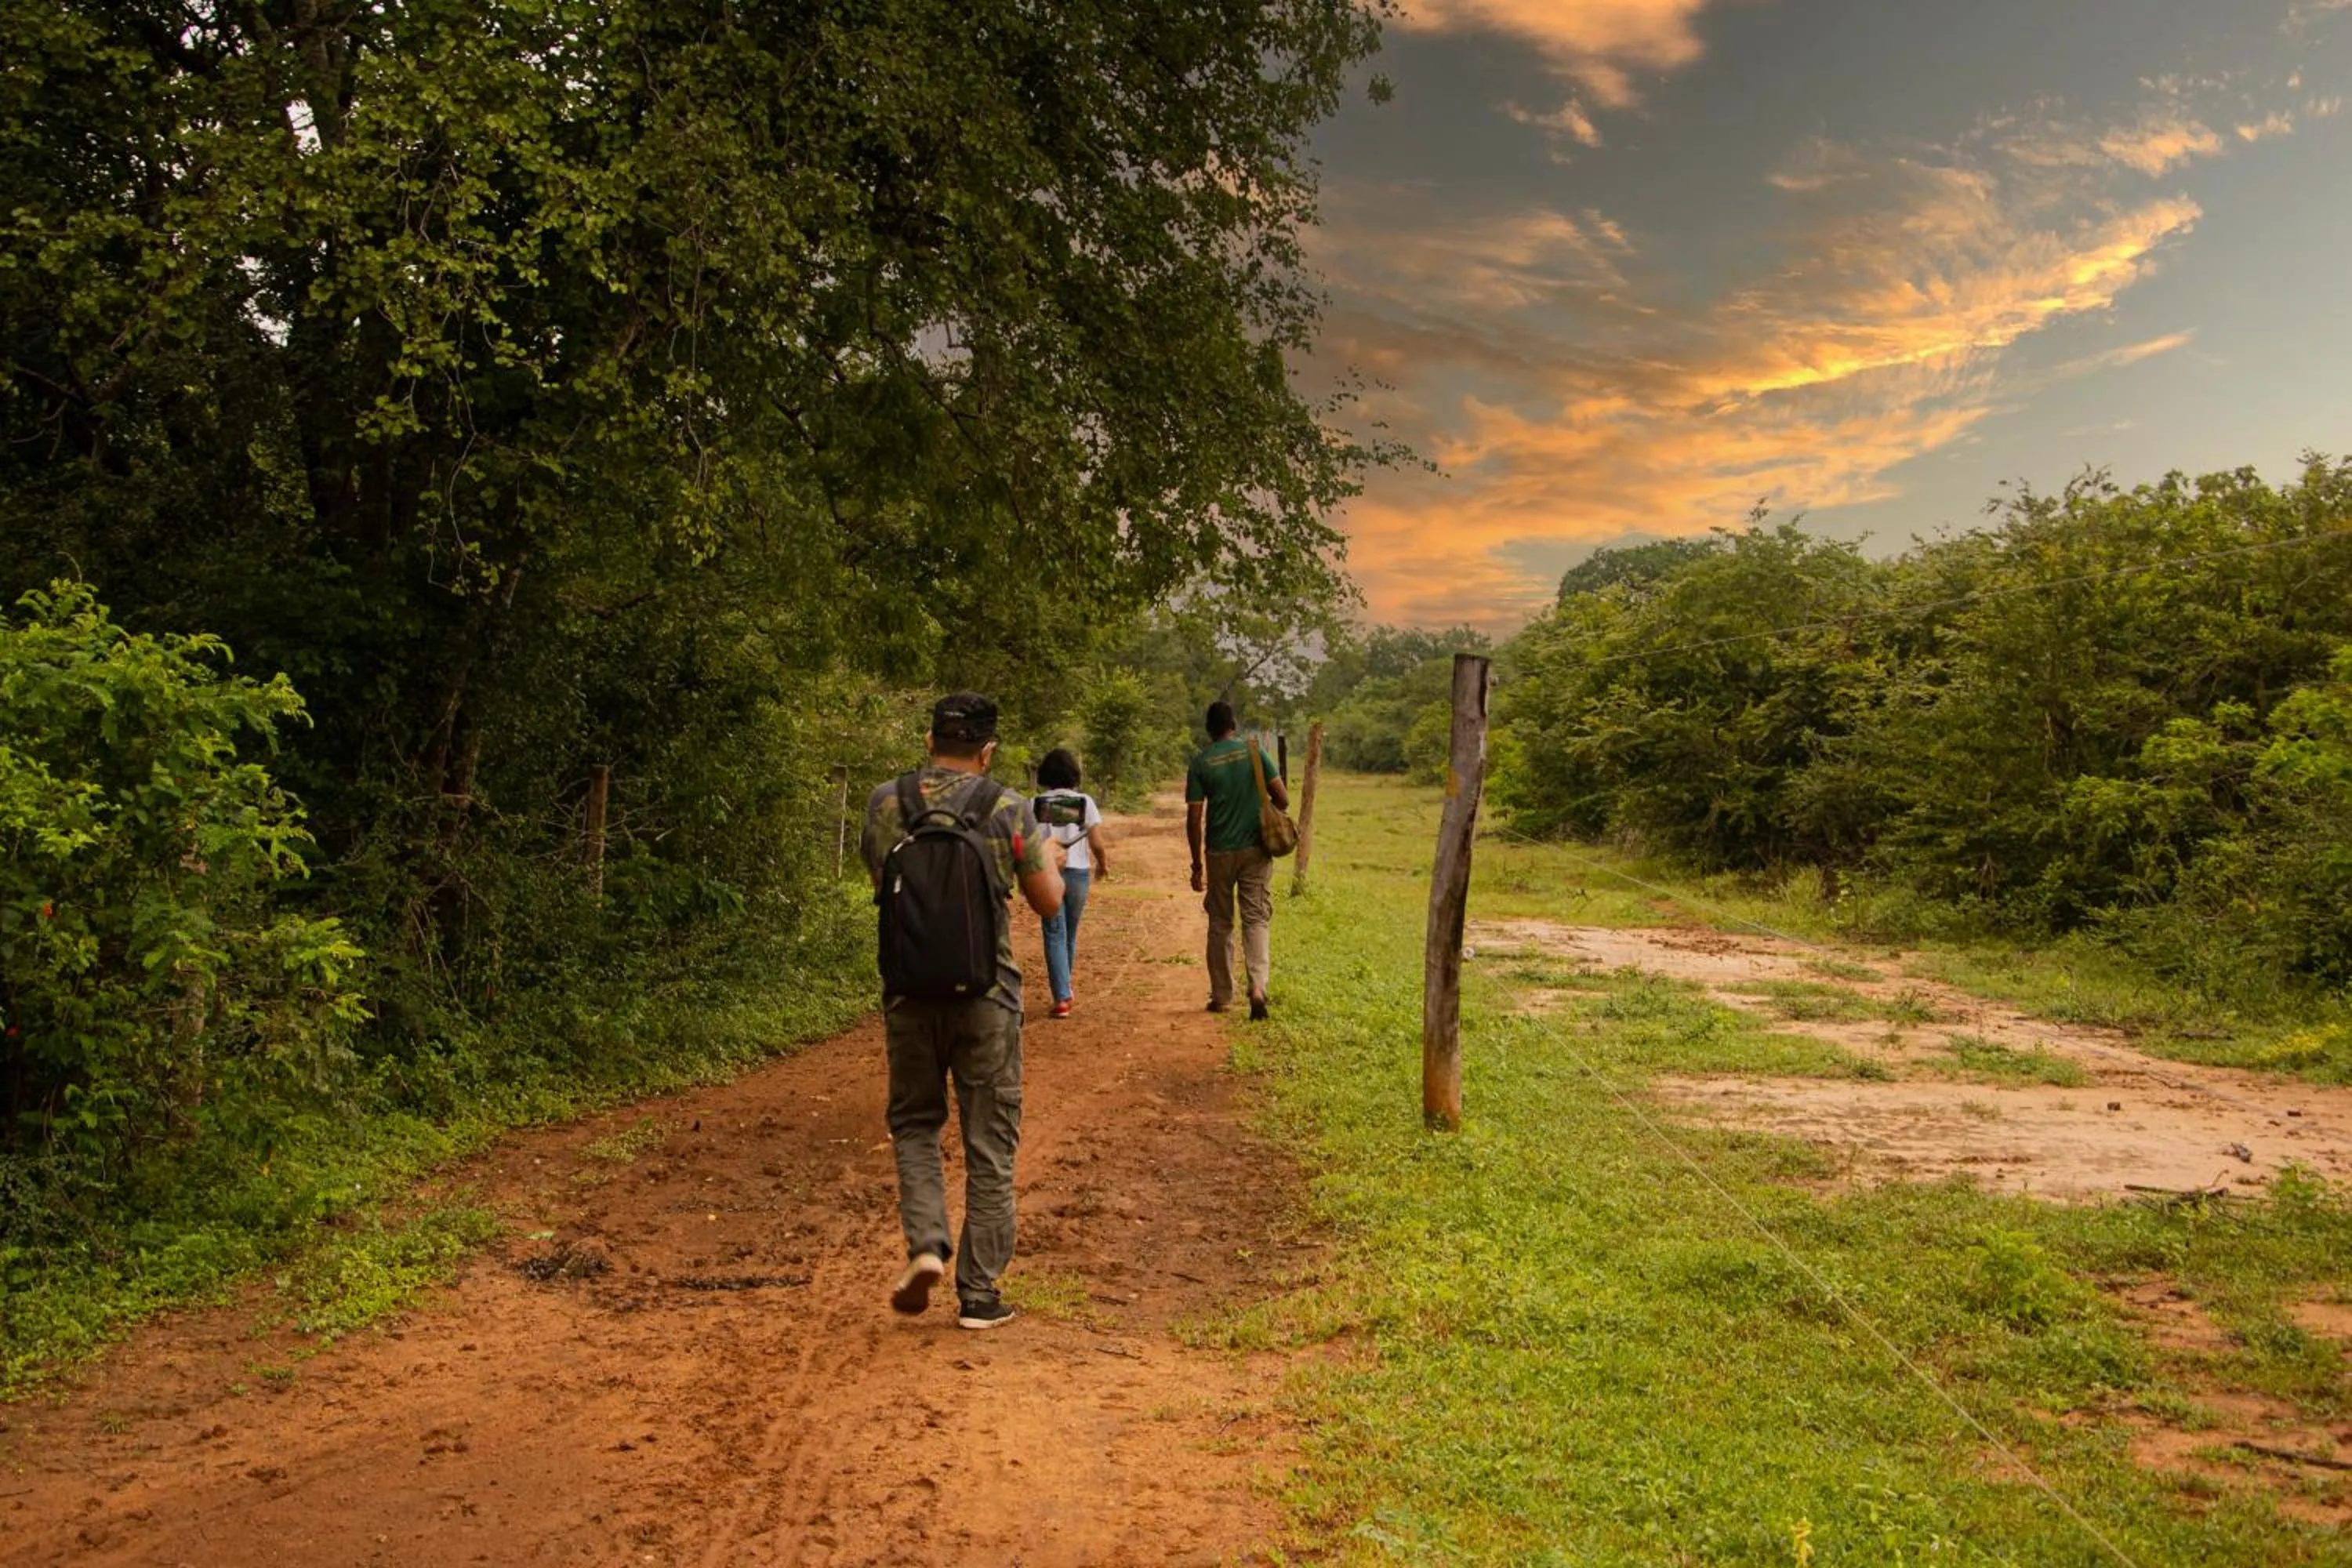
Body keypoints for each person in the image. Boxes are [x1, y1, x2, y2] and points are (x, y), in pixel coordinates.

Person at [858, 692, 1063, 1330]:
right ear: (987, 749)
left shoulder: (886, 802)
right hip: (987, 998)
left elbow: (881, 886)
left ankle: (926, 1244)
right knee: (990, 1142)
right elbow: (1049, 904)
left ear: (929, 740)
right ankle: (979, 1295)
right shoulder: (1008, 808)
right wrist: (1046, 860)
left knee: (916, 1125)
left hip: (908, 993)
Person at [1185, 699, 1287, 1021]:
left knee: (1220, 921)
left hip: (1218, 852)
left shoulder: (1201, 763)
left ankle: (1222, 995)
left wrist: (1197, 865)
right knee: (1256, 918)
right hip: (1256, 848)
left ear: (1209, 729)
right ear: (1235, 725)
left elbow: (1194, 816)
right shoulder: (1255, 753)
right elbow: (1283, 798)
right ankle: (1257, 987)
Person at [1031, 747, 1109, 1019]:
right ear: (1072, 774)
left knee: (1054, 932)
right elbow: (1097, 842)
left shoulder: (1036, 803)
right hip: (1078, 874)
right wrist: (1103, 864)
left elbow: (1029, 844)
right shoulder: (1085, 802)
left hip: (1047, 873)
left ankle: (1062, 995)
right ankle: (1065, 990)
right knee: (1069, 933)